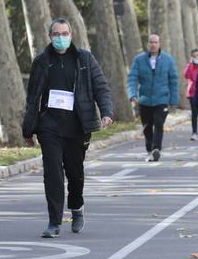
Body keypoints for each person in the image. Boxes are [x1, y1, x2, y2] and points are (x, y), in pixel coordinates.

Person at [22, 19, 114, 238]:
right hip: (49, 126)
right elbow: (33, 98)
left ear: (71, 35)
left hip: (77, 125)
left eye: (64, 33)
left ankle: (76, 207)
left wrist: (106, 112)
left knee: (75, 173)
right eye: (56, 34)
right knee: (53, 173)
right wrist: (28, 129)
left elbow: (101, 87)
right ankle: (54, 222)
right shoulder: (42, 61)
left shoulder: (84, 58)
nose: (60, 37)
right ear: (50, 36)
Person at [127, 33, 180, 161]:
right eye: (151, 42)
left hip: (162, 99)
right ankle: (149, 149)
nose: (153, 45)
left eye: (156, 42)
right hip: (144, 100)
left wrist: (173, 100)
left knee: (158, 123)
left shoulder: (168, 60)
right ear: (147, 44)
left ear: (159, 44)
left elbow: (173, 80)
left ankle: (156, 149)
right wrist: (132, 94)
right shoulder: (139, 60)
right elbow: (132, 78)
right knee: (147, 127)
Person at [183, 48, 198, 140]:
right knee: (194, 113)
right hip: (193, 93)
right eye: (194, 56)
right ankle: (194, 132)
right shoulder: (190, 66)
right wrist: (190, 64)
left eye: (197, 55)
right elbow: (186, 75)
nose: (196, 57)